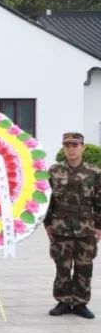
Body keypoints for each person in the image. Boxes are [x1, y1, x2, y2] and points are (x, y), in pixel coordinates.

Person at [44, 131, 101, 319]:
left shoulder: (94, 172)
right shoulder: (54, 171)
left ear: (82, 147)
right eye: (67, 145)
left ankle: (80, 303)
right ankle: (63, 300)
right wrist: (47, 223)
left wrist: (99, 227)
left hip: (86, 227)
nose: (71, 149)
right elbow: (48, 199)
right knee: (62, 265)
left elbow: (99, 202)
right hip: (60, 226)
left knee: (84, 266)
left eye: (75, 145)